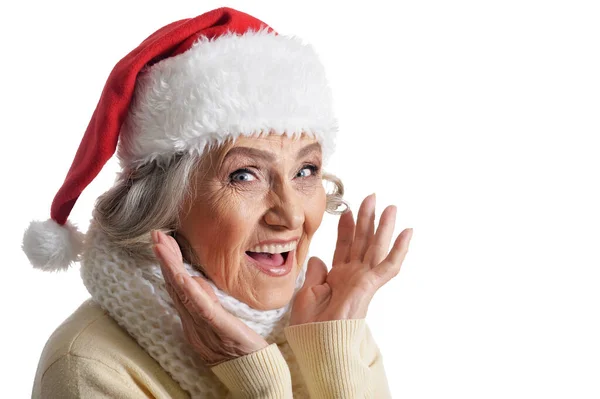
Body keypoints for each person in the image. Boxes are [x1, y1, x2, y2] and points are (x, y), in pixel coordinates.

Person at [23, 7, 413, 398]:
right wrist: (259, 384)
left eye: (306, 171)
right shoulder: (87, 366)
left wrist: (333, 353)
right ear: (163, 204)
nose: (292, 215)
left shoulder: (335, 328)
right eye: (244, 176)